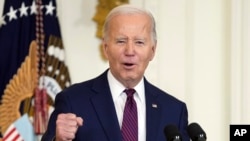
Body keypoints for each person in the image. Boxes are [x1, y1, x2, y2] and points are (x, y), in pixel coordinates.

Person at [42, 4, 189, 141]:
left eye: (139, 42)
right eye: (120, 41)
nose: (130, 51)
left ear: (152, 50)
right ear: (105, 47)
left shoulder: (174, 111)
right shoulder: (72, 101)